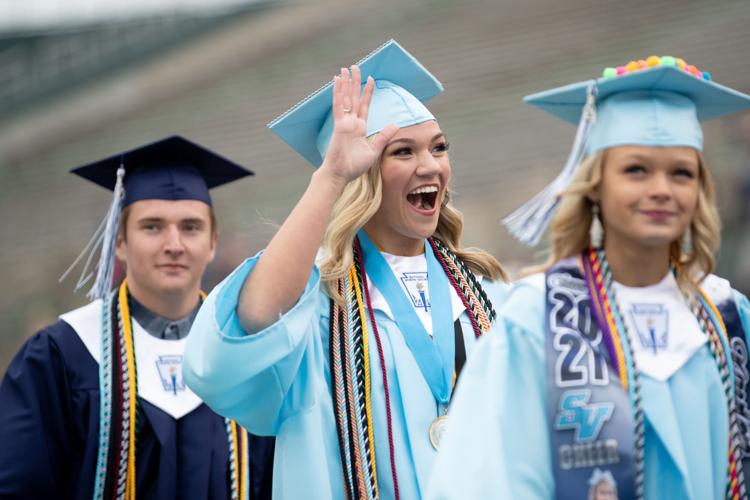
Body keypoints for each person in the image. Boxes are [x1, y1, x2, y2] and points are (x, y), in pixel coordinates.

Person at [182, 40, 509, 499]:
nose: (430, 165)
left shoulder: (488, 295)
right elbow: (242, 334)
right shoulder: (319, 310)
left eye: (438, 147)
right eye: (402, 152)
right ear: (364, 176)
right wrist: (332, 175)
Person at [427, 56, 750, 499]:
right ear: (595, 185)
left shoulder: (727, 316)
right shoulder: (537, 316)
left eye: (682, 173)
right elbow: (487, 479)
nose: (661, 189)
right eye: (636, 170)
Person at [0, 135, 274, 499]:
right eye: (152, 226)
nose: (173, 244)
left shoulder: (247, 357)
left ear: (212, 243)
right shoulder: (63, 355)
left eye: (190, 227)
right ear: (120, 242)